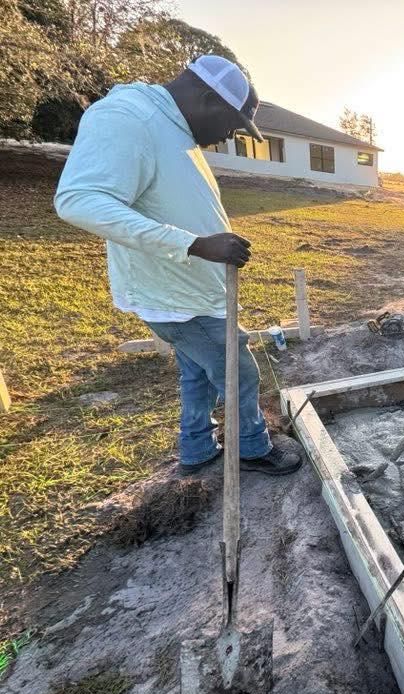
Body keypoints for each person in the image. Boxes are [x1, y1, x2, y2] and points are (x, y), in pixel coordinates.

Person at [55, 55, 302, 476]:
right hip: (176, 297)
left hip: (191, 295)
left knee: (199, 373)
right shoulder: (128, 116)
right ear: (208, 99)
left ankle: (196, 449)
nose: (228, 136)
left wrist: (208, 241)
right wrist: (194, 244)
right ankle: (251, 447)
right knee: (238, 372)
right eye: (232, 125)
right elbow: (80, 201)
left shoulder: (173, 127)